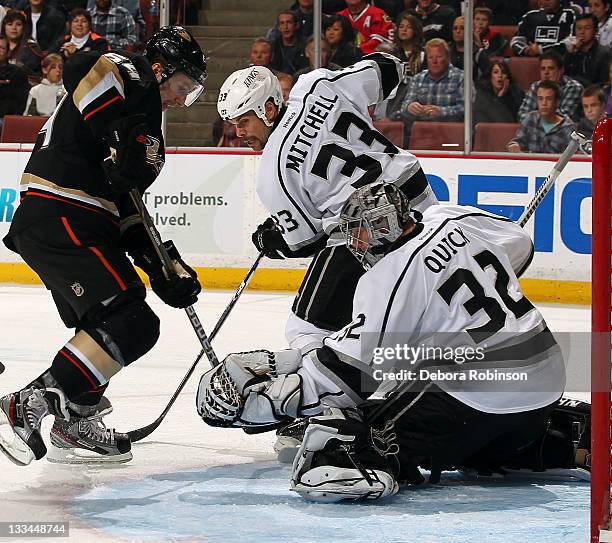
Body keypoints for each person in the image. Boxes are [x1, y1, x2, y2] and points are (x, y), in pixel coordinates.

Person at [196, 182, 589, 502]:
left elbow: (347, 376)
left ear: (380, 227)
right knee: (466, 425)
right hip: (545, 378)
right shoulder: (451, 216)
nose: (355, 243)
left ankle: (371, 466)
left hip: (481, 396)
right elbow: (519, 243)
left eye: (358, 232)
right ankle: (572, 434)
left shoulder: (387, 277)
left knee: (336, 444)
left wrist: (266, 403)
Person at [0, 26, 207, 467]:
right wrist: (119, 133)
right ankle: (31, 402)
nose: (179, 98)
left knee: (105, 321)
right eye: (183, 86)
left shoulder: (145, 125)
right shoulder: (127, 73)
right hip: (63, 211)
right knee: (132, 320)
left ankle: (76, 420)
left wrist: (161, 264)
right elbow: (86, 67)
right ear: (161, 68)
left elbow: (128, 204)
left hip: (78, 218)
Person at [216, 53, 436, 353]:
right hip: (417, 197)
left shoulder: (272, 171)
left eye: (244, 121)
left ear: (268, 108)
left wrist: (272, 240)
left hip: (368, 234)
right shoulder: (316, 85)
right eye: (233, 124)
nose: (239, 133)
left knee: (306, 327)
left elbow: (306, 242)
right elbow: (388, 67)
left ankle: (330, 389)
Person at [401, 38, 464, 128]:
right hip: (423, 133)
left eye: (439, 57)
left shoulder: (461, 78)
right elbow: (404, 106)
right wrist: (409, 107)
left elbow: (467, 109)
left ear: (448, 57)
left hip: (451, 132)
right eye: (430, 57)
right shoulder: (418, 78)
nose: (434, 61)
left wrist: (441, 111)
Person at [508, 80, 575, 153]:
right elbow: (517, 141)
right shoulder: (530, 119)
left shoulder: (567, 127)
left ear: (557, 102)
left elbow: (572, 156)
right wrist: (514, 146)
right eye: (540, 99)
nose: (544, 103)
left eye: (549, 99)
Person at [518, 51, 583, 122]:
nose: (546, 72)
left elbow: (563, 117)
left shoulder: (573, 87)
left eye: (551, 68)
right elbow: (522, 115)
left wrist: (535, 118)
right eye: (543, 69)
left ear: (561, 70)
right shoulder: (535, 87)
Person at [510, 0, 575, 57]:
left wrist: (541, 50)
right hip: (533, 58)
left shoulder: (570, 14)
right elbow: (515, 41)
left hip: (560, 59)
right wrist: (525, 50)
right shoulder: (530, 16)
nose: (546, 0)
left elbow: (571, 42)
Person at [563, 13, 611, 87]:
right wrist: (572, 53)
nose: (582, 32)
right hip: (571, 92)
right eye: (579, 28)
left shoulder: (604, 53)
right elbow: (563, 76)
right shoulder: (570, 51)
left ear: (596, 30)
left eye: (587, 28)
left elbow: (604, 82)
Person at [473, 60, 525, 124]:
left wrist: (502, 96)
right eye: (495, 72)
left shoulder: (516, 93)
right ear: (490, 76)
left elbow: (510, 121)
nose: (500, 75)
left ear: (507, 76)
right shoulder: (482, 93)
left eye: (503, 72)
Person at [1, 9, 43, 77]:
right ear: (4, 27)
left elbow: (35, 74)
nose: (14, 28)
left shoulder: (32, 48)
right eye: (10, 24)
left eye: (18, 24)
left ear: (24, 27)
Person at [0, 35, 30, 130]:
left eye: (1, 48)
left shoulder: (18, 73)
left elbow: (21, 102)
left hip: (8, 119)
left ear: (8, 52)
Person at [449, 15, 490, 80]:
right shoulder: (447, 52)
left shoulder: (479, 54)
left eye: (462, 28)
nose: (458, 31)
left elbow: (486, 78)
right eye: (455, 28)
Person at [269, 10, 307, 75]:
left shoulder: (306, 46)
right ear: (278, 27)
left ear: (296, 25)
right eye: (282, 23)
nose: (285, 27)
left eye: (289, 22)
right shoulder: (273, 47)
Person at [394, 12, 426, 76]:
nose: (404, 30)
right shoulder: (393, 52)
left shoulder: (423, 53)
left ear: (415, 30)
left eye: (409, 27)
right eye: (401, 27)